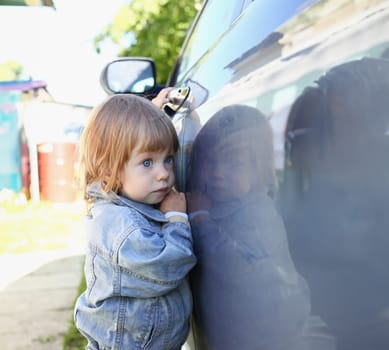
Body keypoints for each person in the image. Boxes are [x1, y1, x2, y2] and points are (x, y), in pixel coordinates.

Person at [187, 104, 335, 350]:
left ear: (260, 170)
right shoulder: (228, 203)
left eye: (233, 163)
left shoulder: (257, 213)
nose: (218, 173)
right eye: (211, 163)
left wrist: (201, 220)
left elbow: (236, 264)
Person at [74, 92, 197, 350]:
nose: (164, 173)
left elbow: (128, 148)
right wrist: (176, 219)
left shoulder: (129, 197)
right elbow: (168, 265)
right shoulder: (122, 225)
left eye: (168, 159)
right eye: (148, 162)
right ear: (110, 170)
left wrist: (150, 115)